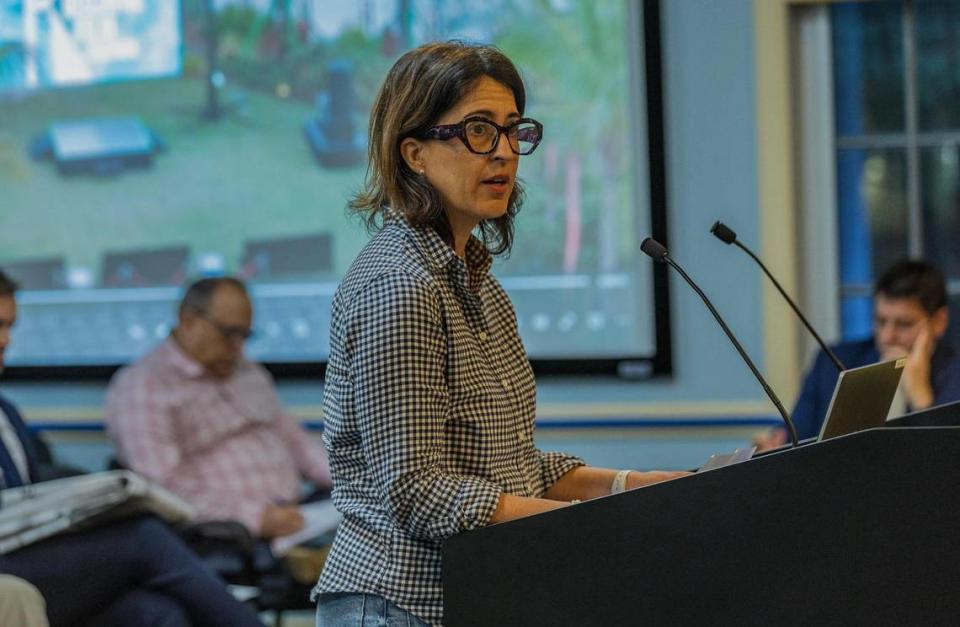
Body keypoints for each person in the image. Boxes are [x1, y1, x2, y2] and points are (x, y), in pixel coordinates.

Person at [314, 41, 689, 627]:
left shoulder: (478, 286)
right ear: (414, 151)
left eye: (514, 131)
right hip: (399, 605)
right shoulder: (400, 286)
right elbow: (416, 491)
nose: (505, 153)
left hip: (476, 595)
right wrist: (592, 525)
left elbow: (509, 465)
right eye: (479, 131)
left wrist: (636, 485)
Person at [0, 268, 264, 627]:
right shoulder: (142, 385)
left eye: (10, 328)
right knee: (141, 536)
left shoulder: (8, 414)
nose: (5, 341)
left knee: (157, 612)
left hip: (32, 560)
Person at [106, 277, 332, 539]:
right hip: (231, 533)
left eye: (245, 335)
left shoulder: (249, 371)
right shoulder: (143, 386)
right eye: (228, 333)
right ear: (188, 321)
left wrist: (348, 480)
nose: (238, 346)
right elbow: (163, 486)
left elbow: (295, 441)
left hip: (300, 513)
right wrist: (254, 517)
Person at [755, 259, 960, 450]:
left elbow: (947, 460)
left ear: (938, 322)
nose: (888, 336)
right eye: (880, 322)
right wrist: (774, 448)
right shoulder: (833, 361)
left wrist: (921, 398)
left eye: (904, 324)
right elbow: (795, 437)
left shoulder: (954, 373)